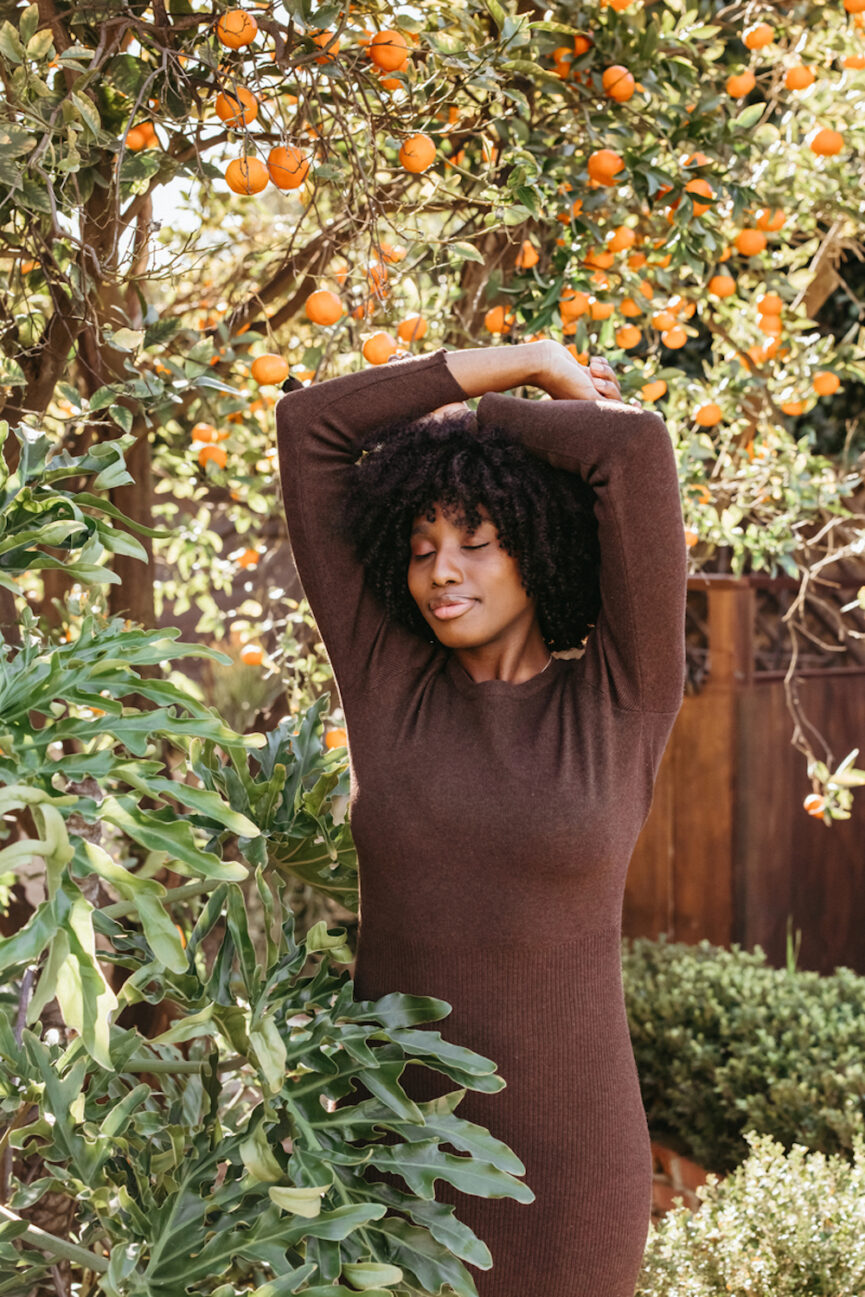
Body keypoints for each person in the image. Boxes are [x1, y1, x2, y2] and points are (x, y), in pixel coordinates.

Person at [274, 339, 687, 1297]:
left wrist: (513, 418)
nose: (440, 572)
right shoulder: (390, 687)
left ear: (538, 548)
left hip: (572, 1164)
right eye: (420, 549)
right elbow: (311, 428)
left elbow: (634, 454)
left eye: (474, 539)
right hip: (395, 1151)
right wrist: (517, 362)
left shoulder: (621, 704)